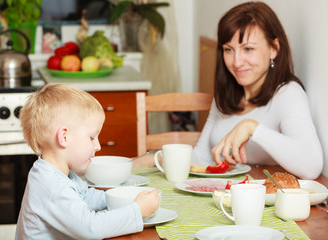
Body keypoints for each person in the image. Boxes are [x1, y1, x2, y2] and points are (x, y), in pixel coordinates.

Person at [191, 1, 323, 180]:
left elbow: (312, 165)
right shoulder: (226, 94)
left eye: (248, 49)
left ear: (273, 49)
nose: (236, 62)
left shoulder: (287, 94)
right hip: (226, 197)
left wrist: (252, 128)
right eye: (229, 50)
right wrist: (154, 159)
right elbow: (202, 157)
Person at [16, 84, 160, 239]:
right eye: (92, 137)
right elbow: (91, 228)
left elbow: (87, 196)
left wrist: (126, 198)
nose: (97, 146)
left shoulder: (60, 173)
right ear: (64, 137)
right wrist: (137, 210)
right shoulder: (51, 185)